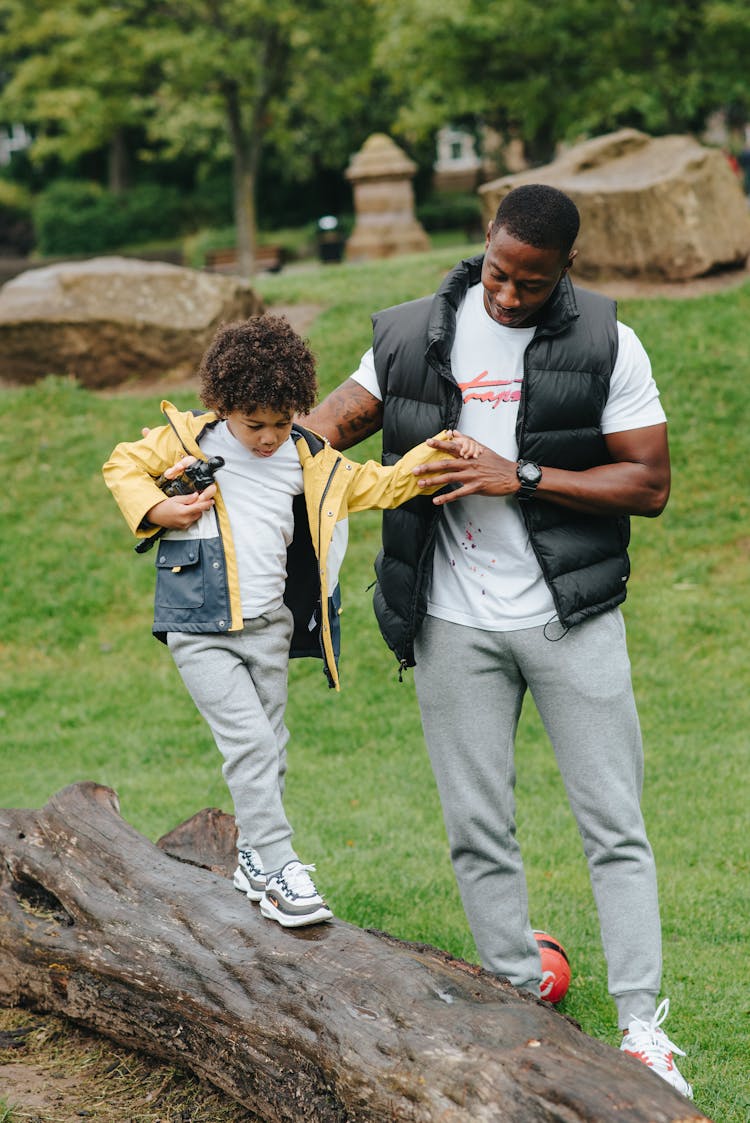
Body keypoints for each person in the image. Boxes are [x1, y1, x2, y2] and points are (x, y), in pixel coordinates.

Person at [304, 185, 693, 1096]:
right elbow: (323, 430)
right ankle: (519, 1000)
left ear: (564, 271)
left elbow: (648, 481)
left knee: (614, 823)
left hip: (572, 614)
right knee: (477, 827)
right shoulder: (410, 333)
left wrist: (513, 474)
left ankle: (644, 1029)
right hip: (452, 618)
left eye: (531, 282)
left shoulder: (606, 341)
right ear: (484, 243)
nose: (508, 297)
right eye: (498, 273)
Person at [103, 314, 478, 930]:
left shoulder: (308, 457)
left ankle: (251, 858)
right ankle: (280, 866)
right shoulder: (186, 440)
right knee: (248, 743)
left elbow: (380, 485)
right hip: (199, 628)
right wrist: (159, 507)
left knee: (271, 746)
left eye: (283, 422)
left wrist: (432, 451)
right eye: (255, 425)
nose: (270, 437)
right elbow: (122, 465)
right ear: (222, 407)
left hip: (270, 627)